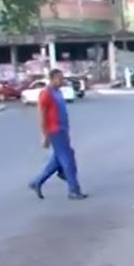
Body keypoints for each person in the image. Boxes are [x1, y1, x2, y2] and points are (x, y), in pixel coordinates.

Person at [29, 69, 87, 200]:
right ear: (52, 79)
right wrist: (44, 135)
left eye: (62, 79)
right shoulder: (45, 94)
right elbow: (42, 116)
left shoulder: (58, 92)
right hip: (54, 131)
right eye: (59, 79)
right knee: (67, 160)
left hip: (62, 129)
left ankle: (37, 182)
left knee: (58, 160)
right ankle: (74, 189)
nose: (62, 81)